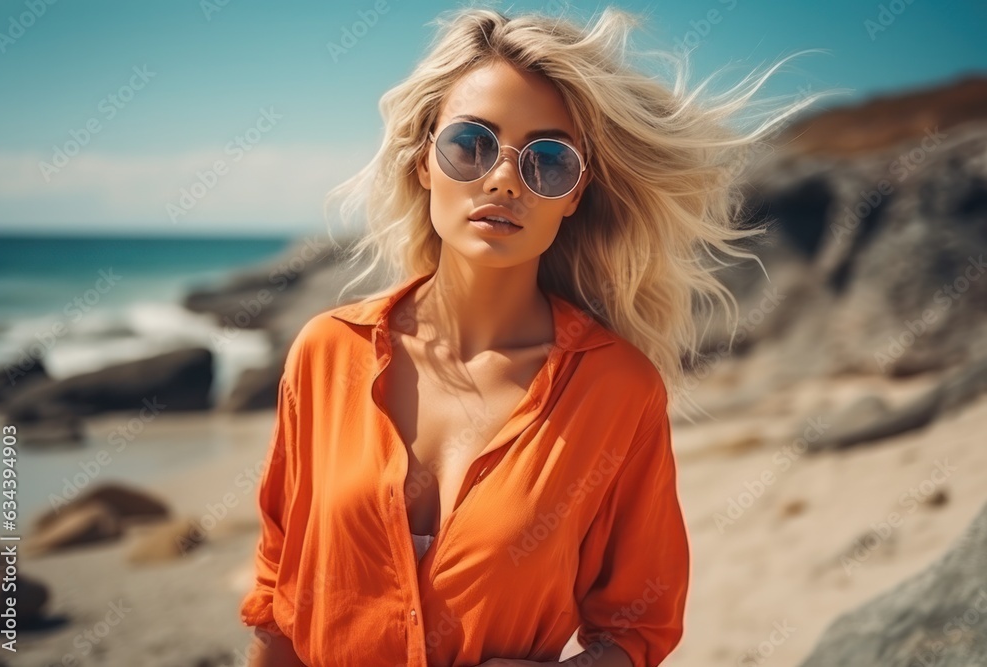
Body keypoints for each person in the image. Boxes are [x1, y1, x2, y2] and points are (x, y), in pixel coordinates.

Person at [239, 5, 830, 666]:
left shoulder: (617, 390)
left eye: (547, 160)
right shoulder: (327, 353)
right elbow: (276, 603)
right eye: (471, 144)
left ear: (574, 195)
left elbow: (638, 626)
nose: (503, 179)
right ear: (423, 162)